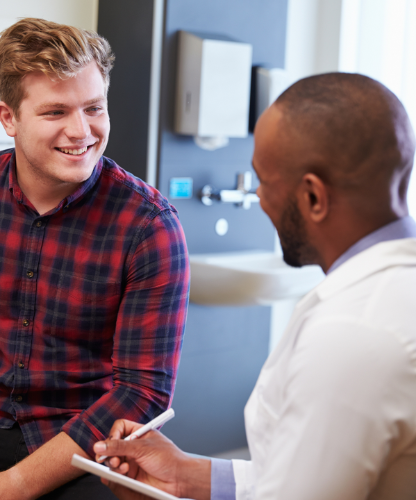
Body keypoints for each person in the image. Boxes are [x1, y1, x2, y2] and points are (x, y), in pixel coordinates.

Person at [93, 72, 416, 500]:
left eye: (263, 180)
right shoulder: (391, 293)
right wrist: (187, 475)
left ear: (313, 197)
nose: (259, 197)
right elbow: (308, 474)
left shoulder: (352, 333)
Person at [0, 18, 189, 500]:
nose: (82, 131)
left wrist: (16, 484)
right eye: (56, 112)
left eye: (94, 108)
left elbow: (142, 393)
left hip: (87, 446)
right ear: (8, 118)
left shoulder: (149, 226)